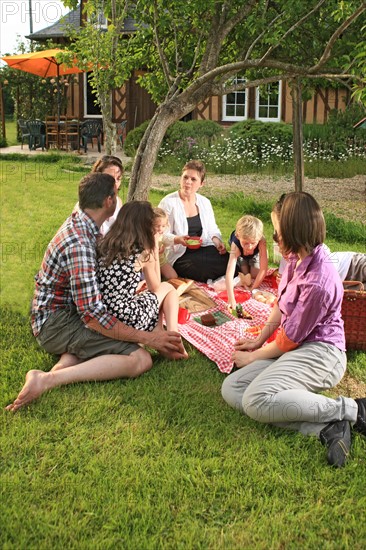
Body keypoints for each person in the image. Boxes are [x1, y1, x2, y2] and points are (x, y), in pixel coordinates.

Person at [6, 173, 186, 412]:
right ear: (109, 201)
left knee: (97, 346)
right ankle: (49, 380)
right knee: (140, 359)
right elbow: (93, 316)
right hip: (58, 323)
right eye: (116, 193)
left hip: (65, 315)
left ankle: (53, 373)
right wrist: (148, 337)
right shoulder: (79, 244)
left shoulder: (84, 224)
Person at [221, 192, 366, 468]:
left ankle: (351, 409)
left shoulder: (319, 281)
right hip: (296, 348)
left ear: (293, 232)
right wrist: (259, 340)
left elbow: (289, 340)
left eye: (276, 233)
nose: (274, 239)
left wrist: (253, 357)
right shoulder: (295, 259)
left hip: (322, 353)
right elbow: (280, 305)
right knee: (232, 388)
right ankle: (327, 427)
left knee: (255, 400)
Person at [97, 202, 186, 346]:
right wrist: (154, 247)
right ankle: (174, 336)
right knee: (167, 288)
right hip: (126, 317)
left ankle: (159, 330)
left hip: (104, 314)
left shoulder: (105, 243)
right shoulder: (142, 252)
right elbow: (155, 287)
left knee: (151, 298)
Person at [158, 160, 230, 282]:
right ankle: (212, 281)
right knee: (202, 268)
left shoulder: (205, 202)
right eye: (185, 177)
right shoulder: (168, 203)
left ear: (201, 183)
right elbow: (159, 233)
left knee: (229, 260)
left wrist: (217, 242)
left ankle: (218, 281)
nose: (188, 182)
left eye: (193, 179)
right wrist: (177, 239)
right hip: (181, 253)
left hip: (203, 247)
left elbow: (212, 228)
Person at [274, 194, 366, 289]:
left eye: (277, 233)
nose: (276, 240)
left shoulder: (317, 255)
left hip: (353, 266)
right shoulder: (290, 259)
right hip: (346, 285)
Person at [225, 215, 268, 310]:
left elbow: (264, 269)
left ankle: (250, 260)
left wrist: (253, 288)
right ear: (238, 236)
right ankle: (242, 261)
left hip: (255, 254)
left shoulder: (261, 241)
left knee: (254, 275)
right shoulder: (235, 245)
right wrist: (231, 299)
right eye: (245, 243)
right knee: (245, 273)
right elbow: (229, 273)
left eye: (253, 243)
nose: (249, 246)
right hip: (240, 253)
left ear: (259, 238)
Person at [91, 155, 124, 235]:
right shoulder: (88, 206)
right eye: (110, 177)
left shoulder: (118, 202)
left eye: (118, 178)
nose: (115, 182)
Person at [153, 207, 178, 280]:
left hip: (161, 261)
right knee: (154, 280)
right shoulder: (148, 236)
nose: (160, 229)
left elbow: (166, 239)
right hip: (150, 263)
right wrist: (155, 251)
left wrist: (178, 240)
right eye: (157, 226)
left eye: (163, 226)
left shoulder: (160, 234)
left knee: (173, 277)